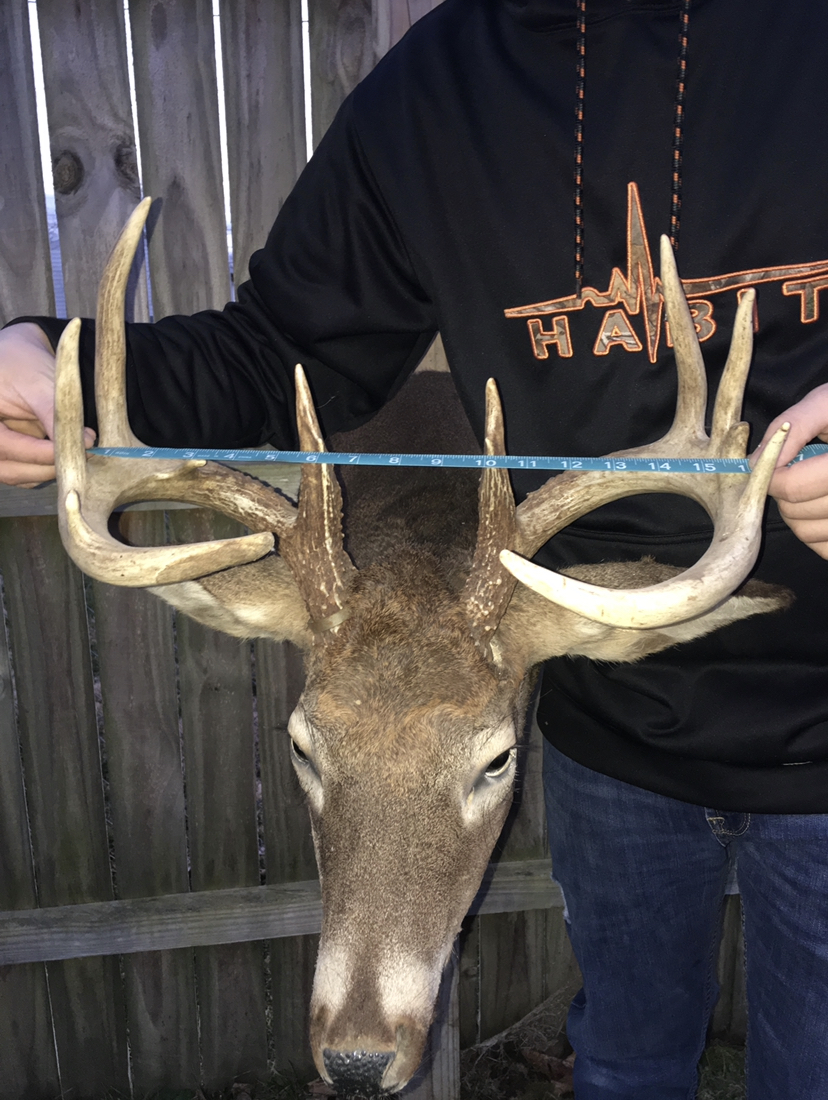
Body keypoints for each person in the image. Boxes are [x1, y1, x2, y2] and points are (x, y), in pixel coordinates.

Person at [2, 0, 828, 1096]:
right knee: (626, 1062)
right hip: (611, 734)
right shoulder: (437, 90)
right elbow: (284, 346)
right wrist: (56, 364)